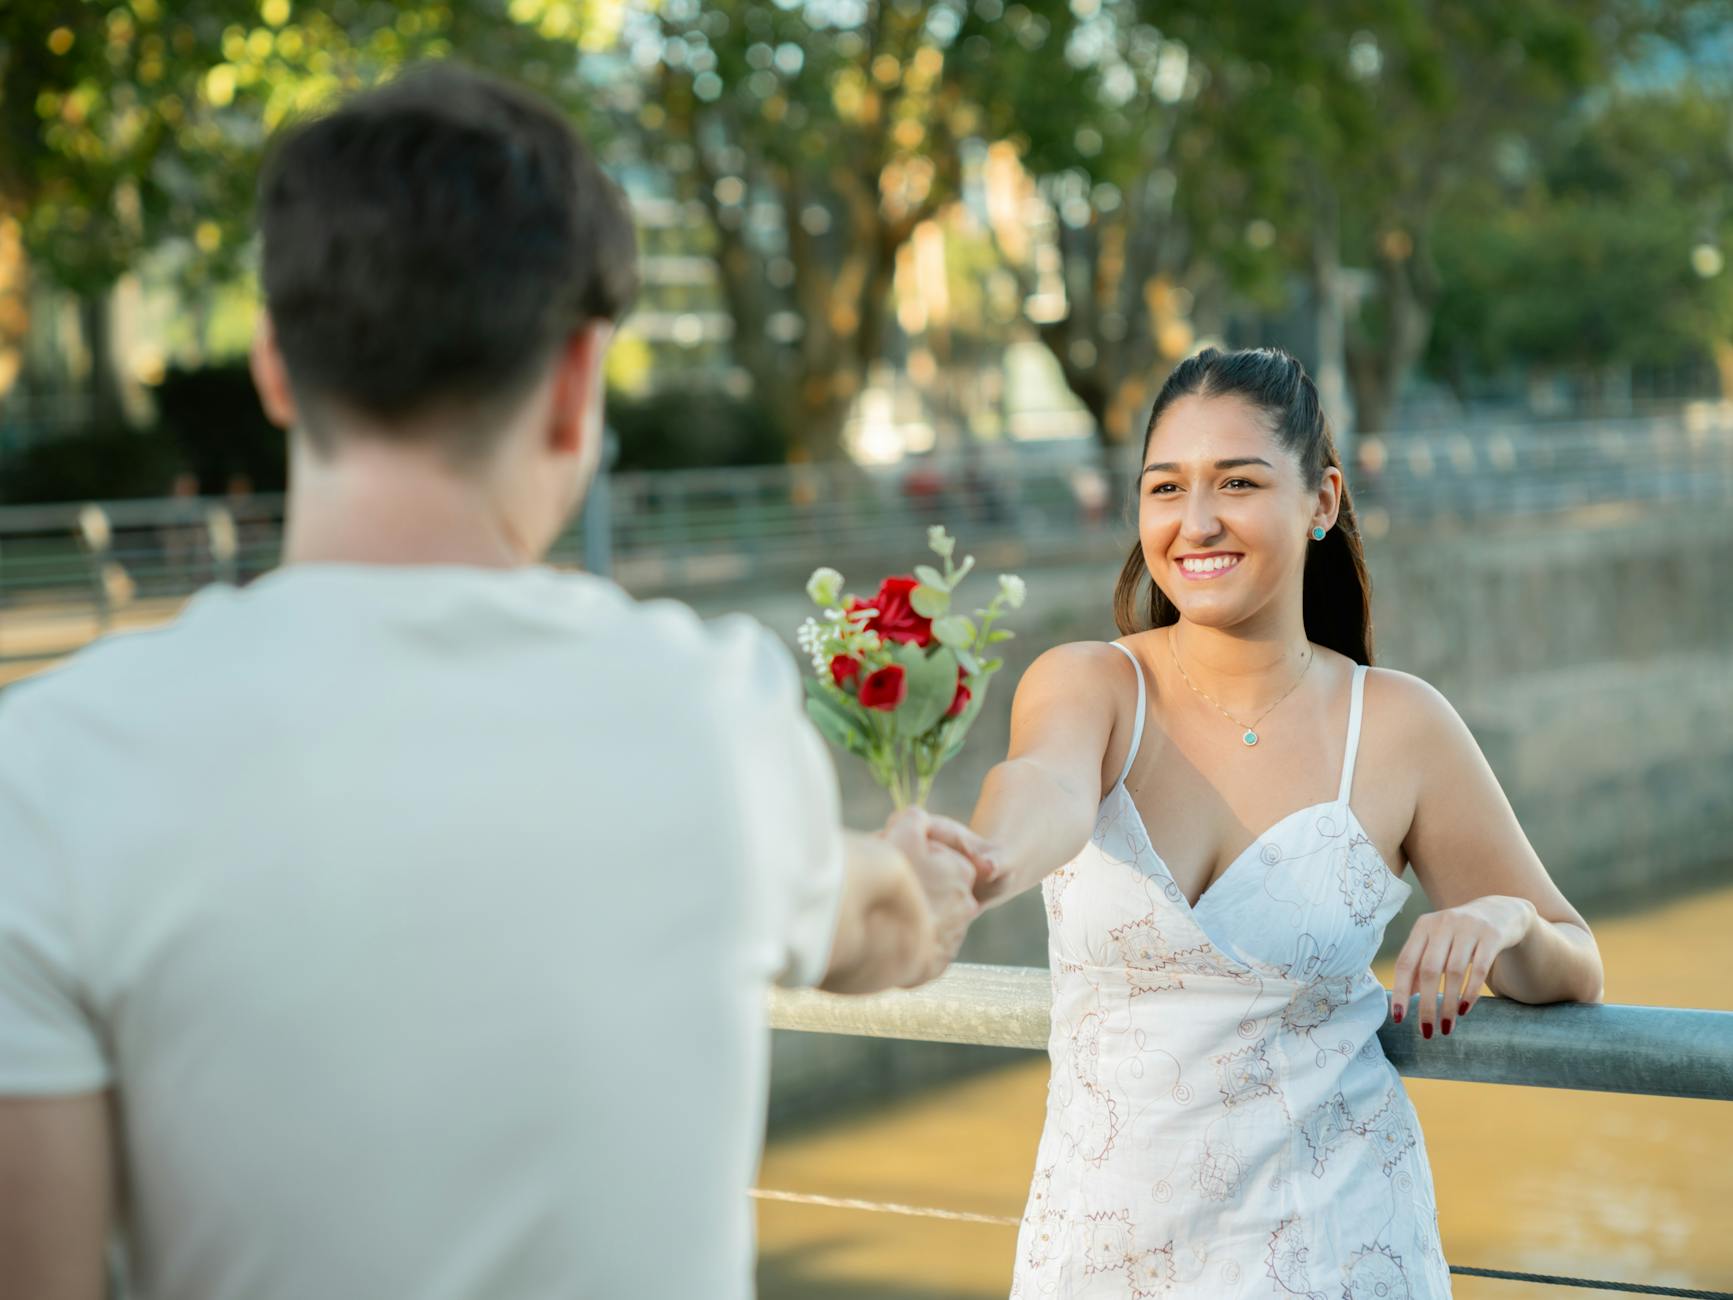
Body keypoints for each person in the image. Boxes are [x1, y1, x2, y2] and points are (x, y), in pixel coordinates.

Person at [0, 64, 993, 1300]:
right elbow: (893, 916)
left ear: (272, 365)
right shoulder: (708, 722)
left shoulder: (45, 776)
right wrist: (928, 870)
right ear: (577, 384)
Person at [966, 347, 1605, 1298]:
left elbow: (1574, 959)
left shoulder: (1399, 724)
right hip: (1098, 1263)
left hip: (1339, 1254)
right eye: (1165, 487)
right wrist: (971, 865)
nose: (1195, 522)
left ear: (1321, 500)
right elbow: (1045, 791)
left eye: (1237, 482)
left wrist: (1501, 920)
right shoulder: (1089, 683)